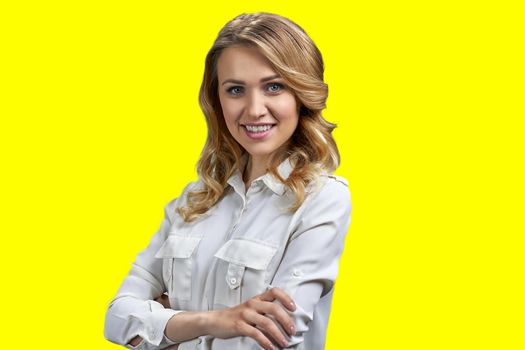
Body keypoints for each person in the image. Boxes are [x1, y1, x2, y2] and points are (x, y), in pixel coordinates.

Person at [104, 11, 352, 350]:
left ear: (301, 93)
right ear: (217, 101)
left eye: (274, 86)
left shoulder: (323, 198)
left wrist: (167, 328)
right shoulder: (194, 199)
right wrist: (216, 322)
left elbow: (278, 336)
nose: (253, 109)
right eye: (235, 90)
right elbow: (117, 317)